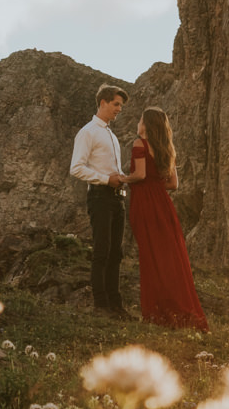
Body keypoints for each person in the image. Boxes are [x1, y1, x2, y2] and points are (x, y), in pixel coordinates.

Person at [126, 106, 208, 330]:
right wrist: (155, 184)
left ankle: (158, 312)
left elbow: (140, 175)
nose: (138, 123)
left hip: (144, 204)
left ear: (145, 124)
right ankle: (178, 309)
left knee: (150, 256)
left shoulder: (139, 144)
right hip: (163, 204)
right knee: (169, 257)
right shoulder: (166, 148)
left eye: (140, 119)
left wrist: (121, 178)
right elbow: (173, 184)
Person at [70, 83, 129, 315]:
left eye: (121, 106)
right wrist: (106, 180)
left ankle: (116, 305)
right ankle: (101, 305)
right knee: (102, 251)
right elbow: (76, 168)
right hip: (100, 197)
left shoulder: (111, 135)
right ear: (103, 103)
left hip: (117, 198)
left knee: (116, 252)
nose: (119, 109)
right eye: (116, 104)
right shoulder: (88, 132)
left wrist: (121, 178)